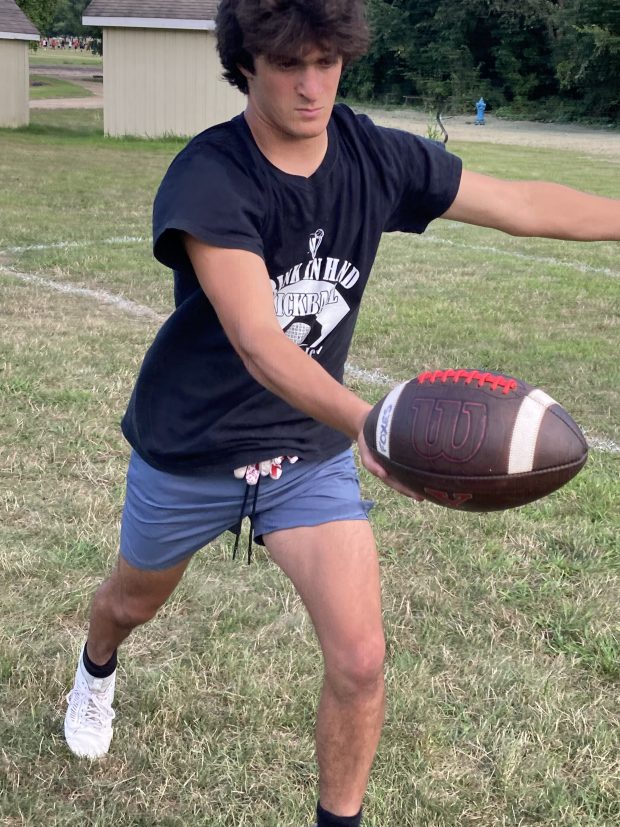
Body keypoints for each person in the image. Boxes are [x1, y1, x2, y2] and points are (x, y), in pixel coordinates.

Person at [64, 1, 619, 824]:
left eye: (327, 62)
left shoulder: (372, 154)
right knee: (130, 601)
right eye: (289, 63)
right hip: (193, 446)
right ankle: (96, 666)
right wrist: (368, 420)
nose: (311, 85)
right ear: (246, 62)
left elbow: (520, 203)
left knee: (360, 657)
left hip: (305, 451)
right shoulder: (210, 174)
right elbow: (258, 340)